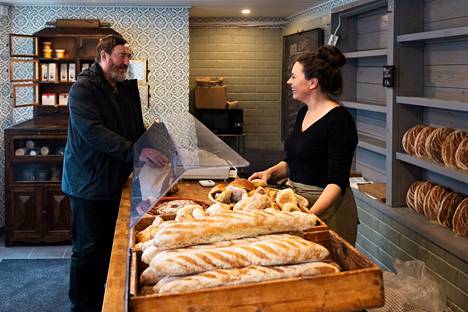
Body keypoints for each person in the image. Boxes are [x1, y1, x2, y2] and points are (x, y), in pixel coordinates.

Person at [62, 35, 165, 311]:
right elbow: (94, 133)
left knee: (111, 245)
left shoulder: (122, 87)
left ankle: (106, 298)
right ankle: (81, 305)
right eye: (122, 56)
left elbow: (133, 126)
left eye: (128, 56)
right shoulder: (83, 89)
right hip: (88, 183)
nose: (126, 62)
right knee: (87, 249)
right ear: (104, 55)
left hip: (115, 180)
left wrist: (154, 145)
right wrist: (136, 152)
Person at [249, 45, 359, 245]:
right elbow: (297, 160)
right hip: (297, 203)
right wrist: (270, 172)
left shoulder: (340, 121)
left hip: (325, 210)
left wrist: (307, 217)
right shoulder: (303, 113)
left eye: (293, 77)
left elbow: (337, 182)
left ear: (312, 83)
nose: (289, 82)